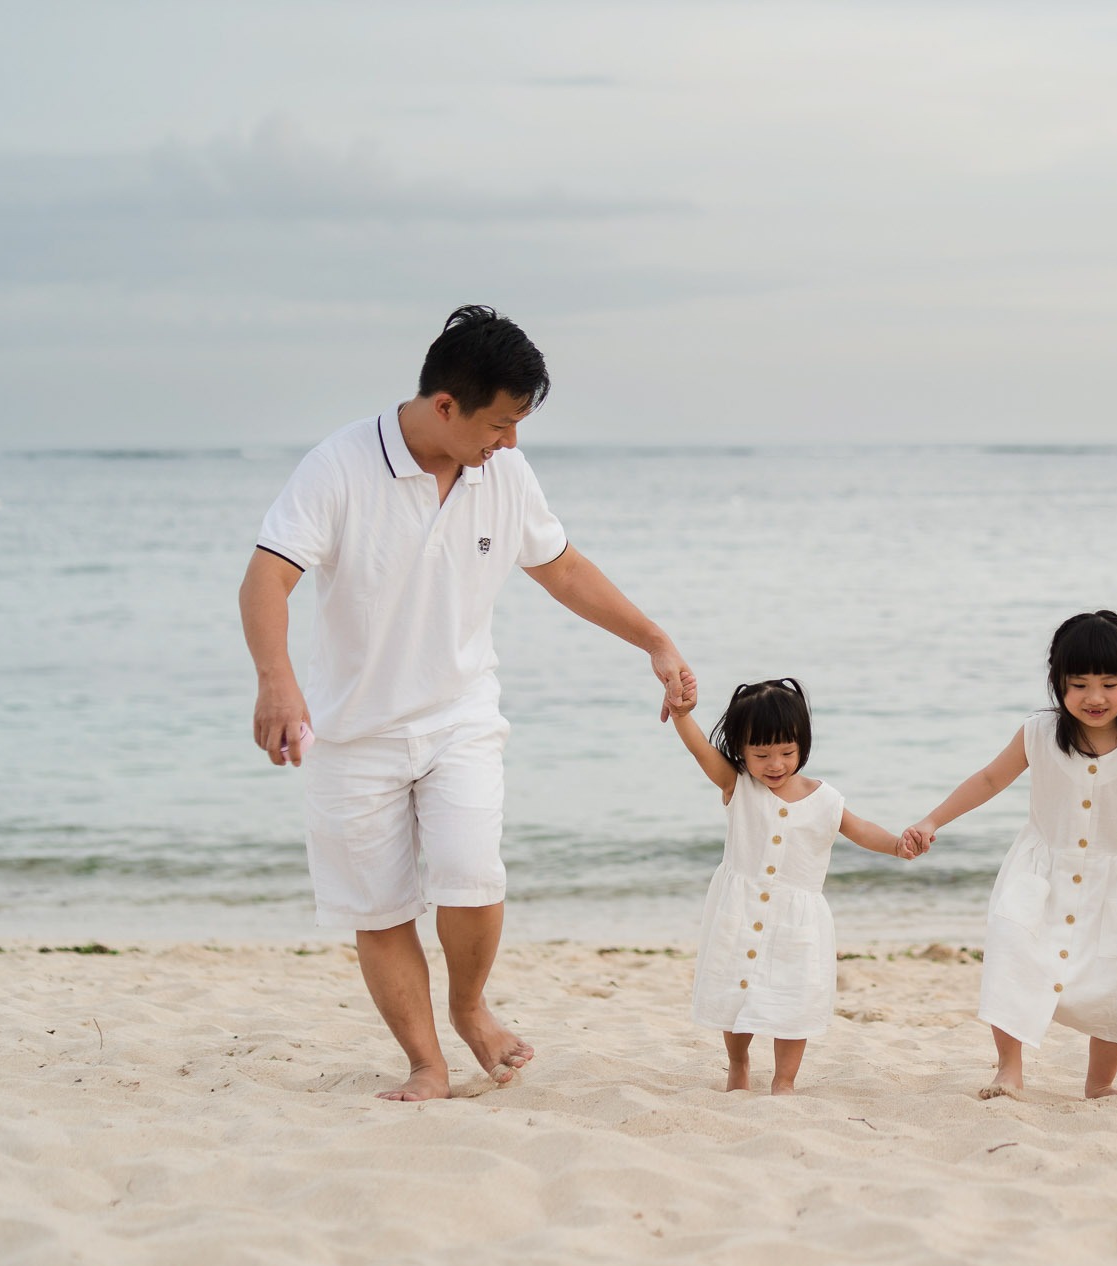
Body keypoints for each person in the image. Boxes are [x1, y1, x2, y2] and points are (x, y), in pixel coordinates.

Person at [239, 305, 694, 1103]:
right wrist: (277, 679)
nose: (510, 442)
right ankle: (427, 1062)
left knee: (473, 877)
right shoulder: (338, 465)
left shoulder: (504, 472)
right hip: (352, 733)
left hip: (460, 718)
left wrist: (653, 638)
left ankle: (469, 1004)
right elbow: (267, 577)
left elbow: (562, 567)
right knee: (378, 912)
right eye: (501, 422)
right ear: (446, 405)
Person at [900, 611, 1117, 1100]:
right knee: (1014, 958)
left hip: (1114, 886)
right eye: (1078, 683)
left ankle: (1101, 1083)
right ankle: (1009, 1070)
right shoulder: (1038, 735)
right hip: (1038, 872)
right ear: (1058, 683)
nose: (1095, 697)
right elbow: (988, 780)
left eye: (1109, 682)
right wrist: (931, 821)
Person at [664, 677, 909, 1095]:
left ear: (803, 745)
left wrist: (897, 846)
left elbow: (860, 829)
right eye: (760, 754)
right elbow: (700, 750)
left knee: (793, 1000)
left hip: (798, 920)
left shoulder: (825, 798)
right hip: (740, 911)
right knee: (734, 993)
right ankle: (738, 1066)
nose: (774, 764)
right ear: (741, 749)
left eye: (786, 752)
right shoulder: (738, 784)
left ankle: (784, 1081)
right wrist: (683, 716)